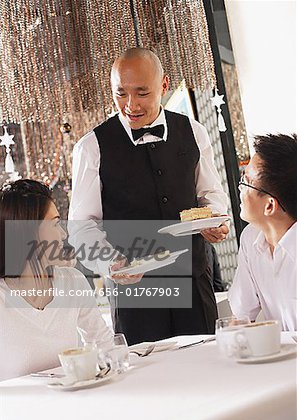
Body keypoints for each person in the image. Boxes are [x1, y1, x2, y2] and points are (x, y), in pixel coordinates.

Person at [69, 47, 229, 344]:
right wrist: (109, 262)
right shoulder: (91, 147)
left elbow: (210, 195)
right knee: (148, 383)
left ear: (164, 85)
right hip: (135, 295)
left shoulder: (194, 132)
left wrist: (215, 220)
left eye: (141, 93)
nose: (130, 105)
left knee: (209, 373)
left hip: (194, 283)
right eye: (120, 93)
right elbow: (81, 226)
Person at [0, 179, 113, 381]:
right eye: (54, 224)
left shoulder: (73, 281)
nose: (63, 234)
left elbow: (105, 346)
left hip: (77, 404)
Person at [229, 134, 297, 331]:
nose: (240, 187)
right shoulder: (251, 238)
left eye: (246, 181)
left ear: (269, 205)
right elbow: (241, 318)